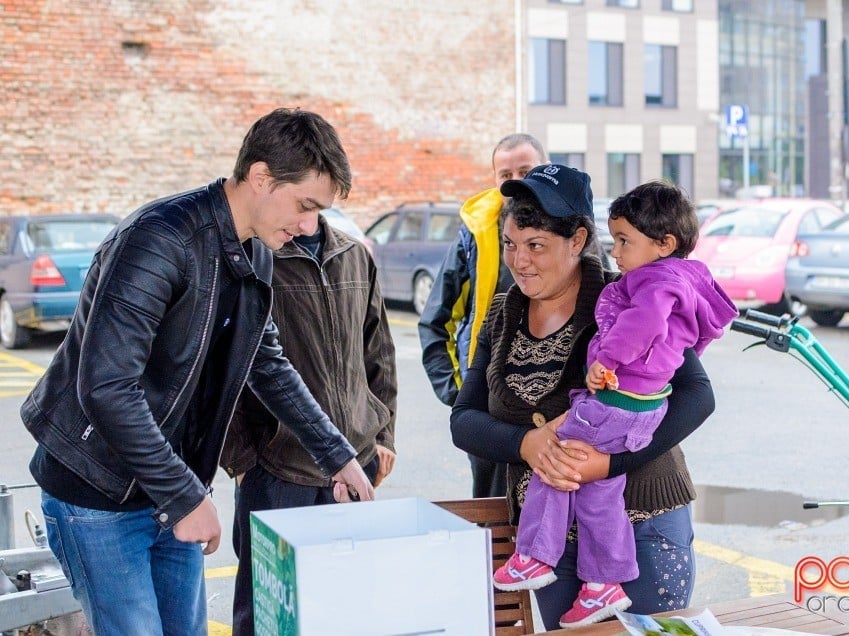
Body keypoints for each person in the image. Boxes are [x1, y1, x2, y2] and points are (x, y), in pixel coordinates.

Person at [21, 108, 375, 635]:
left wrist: (336, 453)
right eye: (304, 206)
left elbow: (265, 361)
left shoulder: (259, 248)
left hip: (170, 487)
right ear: (259, 177)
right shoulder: (159, 240)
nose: (308, 227)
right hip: (96, 492)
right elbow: (106, 386)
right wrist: (185, 496)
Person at [450, 164, 717, 630]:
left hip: (642, 527)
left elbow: (697, 396)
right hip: (547, 548)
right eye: (511, 244)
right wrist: (525, 445)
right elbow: (464, 419)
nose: (520, 261)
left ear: (576, 241)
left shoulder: (629, 300)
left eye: (536, 246)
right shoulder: (501, 312)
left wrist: (607, 466)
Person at [220, 209, 398, 636]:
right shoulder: (255, 259)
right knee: (265, 614)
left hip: (355, 464)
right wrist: (243, 462)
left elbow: (379, 354)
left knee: (345, 606)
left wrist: (383, 435)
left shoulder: (356, 255)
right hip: (278, 471)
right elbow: (226, 368)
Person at [419, 133, 547, 498]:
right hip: (490, 405)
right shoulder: (474, 235)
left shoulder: (571, 227)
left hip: (556, 406)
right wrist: (459, 394)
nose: (516, 182)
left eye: (527, 170)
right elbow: (435, 319)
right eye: (505, 174)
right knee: (494, 514)